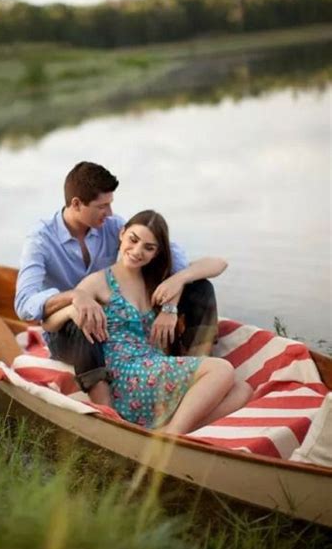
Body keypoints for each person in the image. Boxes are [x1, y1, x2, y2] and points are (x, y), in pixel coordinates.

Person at [15, 161, 218, 406]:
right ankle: (105, 409)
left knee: (199, 287)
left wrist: (172, 301)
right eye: (102, 206)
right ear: (77, 204)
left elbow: (170, 253)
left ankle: (196, 368)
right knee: (83, 319)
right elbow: (24, 303)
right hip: (66, 330)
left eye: (110, 204)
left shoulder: (111, 227)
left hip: (110, 322)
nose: (110, 212)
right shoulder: (40, 240)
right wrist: (75, 297)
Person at [42, 210, 252, 434]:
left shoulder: (157, 280)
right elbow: (48, 323)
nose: (137, 251)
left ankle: (169, 430)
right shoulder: (99, 282)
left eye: (148, 247)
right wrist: (73, 308)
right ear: (122, 234)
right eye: (133, 240)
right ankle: (172, 435)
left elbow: (218, 264)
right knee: (222, 370)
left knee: (243, 389)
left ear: (156, 252)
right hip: (128, 375)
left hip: (153, 365)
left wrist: (179, 280)